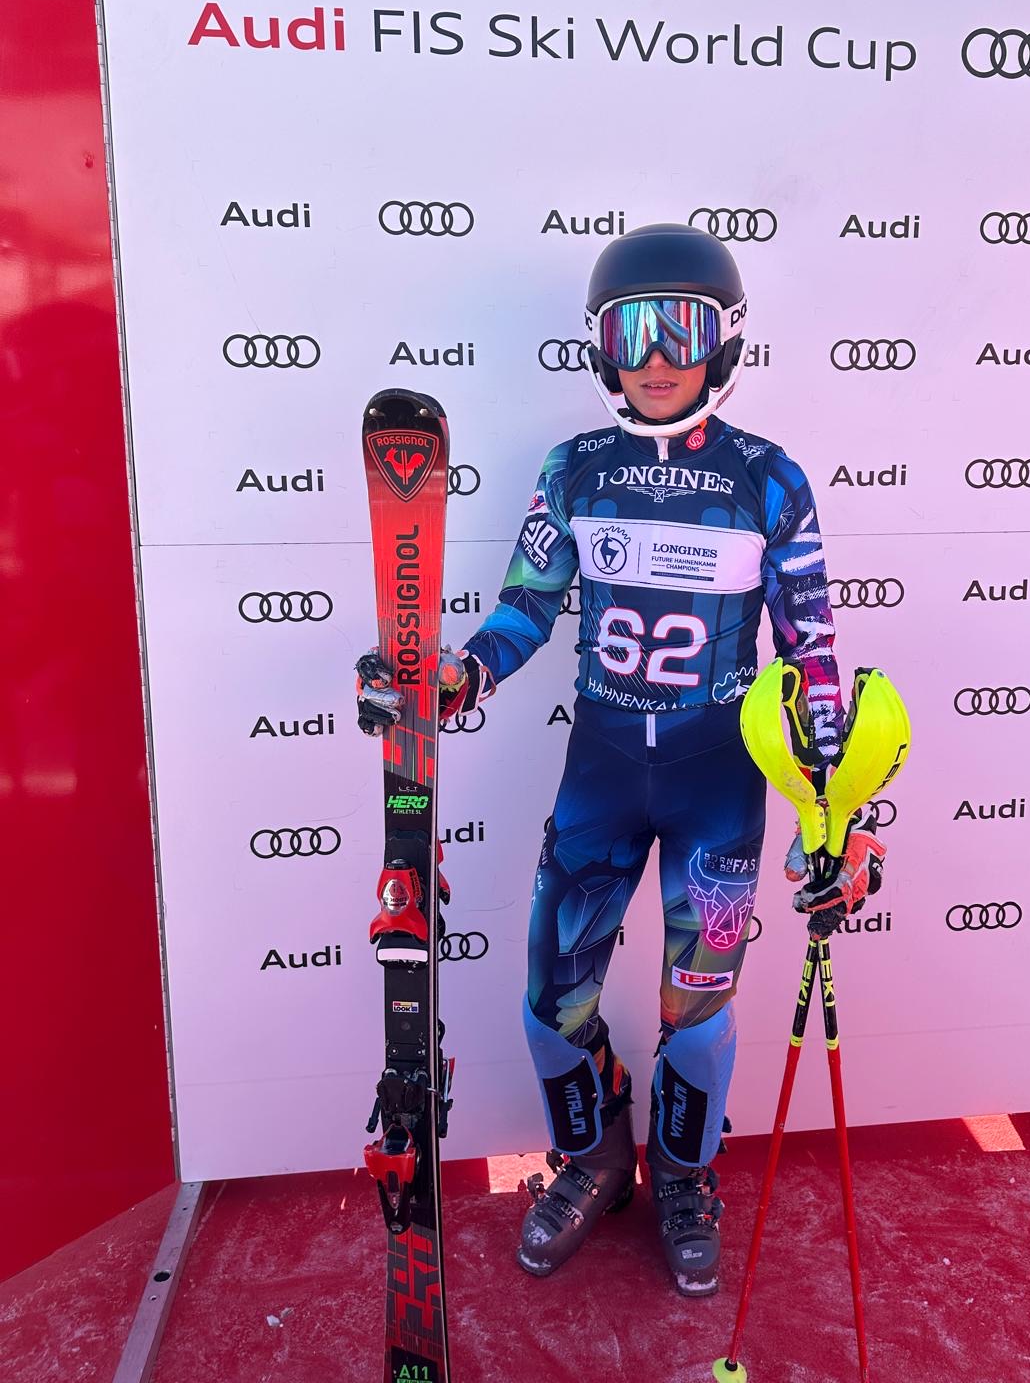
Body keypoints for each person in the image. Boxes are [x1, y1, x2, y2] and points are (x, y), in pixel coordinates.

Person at [358, 223, 882, 1295]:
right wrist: (460, 676)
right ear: (599, 346)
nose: (655, 358)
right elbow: (526, 608)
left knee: (698, 1008)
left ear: (725, 341)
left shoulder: (769, 480)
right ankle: (596, 1160)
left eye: (680, 328)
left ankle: (684, 1175)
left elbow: (813, 656)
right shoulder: (576, 469)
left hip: (716, 787)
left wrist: (843, 817)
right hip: (600, 772)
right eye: (628, 332)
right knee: (551, 1001)